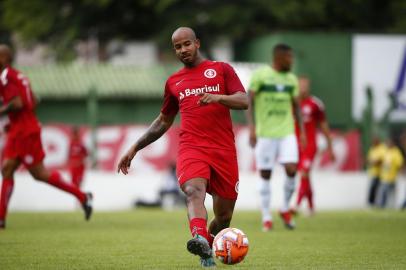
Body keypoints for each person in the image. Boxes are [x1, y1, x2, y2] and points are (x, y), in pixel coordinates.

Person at [117, 27, 248, 268]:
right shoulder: (174, 82)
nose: (182, 50)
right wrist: (135, 147)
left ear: (197, 43)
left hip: (223, 151)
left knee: (224, 218)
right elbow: (163, 121)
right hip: (192, 147)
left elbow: (243, 100)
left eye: (186, 44)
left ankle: (207, 245)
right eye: (177, 47)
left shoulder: (221, 70)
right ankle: (198, 236)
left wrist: (218, 97)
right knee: (193, 191)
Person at [0, 44, 92, 229]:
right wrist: (15, 120)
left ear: (5, 58)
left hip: (24, 132)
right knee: (7, 169)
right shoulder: (19, 75)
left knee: (39, 173)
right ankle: (1, 218)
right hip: (21, 129)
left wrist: (3, 111)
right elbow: (34, 100)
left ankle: (82, 196)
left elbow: (17, 103)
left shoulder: (5, 77)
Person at [247, 43, 305, 231]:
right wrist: (252, 128)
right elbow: (249, 100)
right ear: (278, 58)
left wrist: (301, 132)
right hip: (265, 134)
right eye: (289, 57)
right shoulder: (261, 75)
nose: (292, 61)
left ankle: (285, 208)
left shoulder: (291, 79)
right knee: (266, 174)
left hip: (287, 132)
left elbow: (296, 106)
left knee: (291, 169)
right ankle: (266, 217)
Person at [292, 76, 335, 215]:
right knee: (305, 176)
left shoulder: (315, 104)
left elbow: (324, 126)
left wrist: (330, 148)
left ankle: (296, 206)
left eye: (305, 85)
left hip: (311, 145)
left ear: (308, 86)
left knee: (304, 172)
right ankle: (311, 206)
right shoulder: (292, 102)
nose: (303, 87)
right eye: (301, 85)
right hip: (296, 145)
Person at [376, 137, 404, 208]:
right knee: (383, 192)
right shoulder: (386, 151)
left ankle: (386, 206)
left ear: (393, 144)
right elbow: (381, 161)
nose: (388, 144)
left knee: (388, 193)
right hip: (384, 176)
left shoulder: (396, 152)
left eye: (389, 143)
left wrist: (402, 172)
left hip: (391, 177)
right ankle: (383, 206)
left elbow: (400, 163)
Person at [366, 135, 386, 207]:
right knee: (373, 189)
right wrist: (372, 162)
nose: (373, 142)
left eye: (374, 141)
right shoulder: (373, 149)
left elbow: (382, 160)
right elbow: (369, 159)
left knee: (378, 189)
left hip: (381, 173)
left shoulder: (382, 148)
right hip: (373, 173)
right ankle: (372, 203)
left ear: (378, 141)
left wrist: (374, 162)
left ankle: (378, 204)